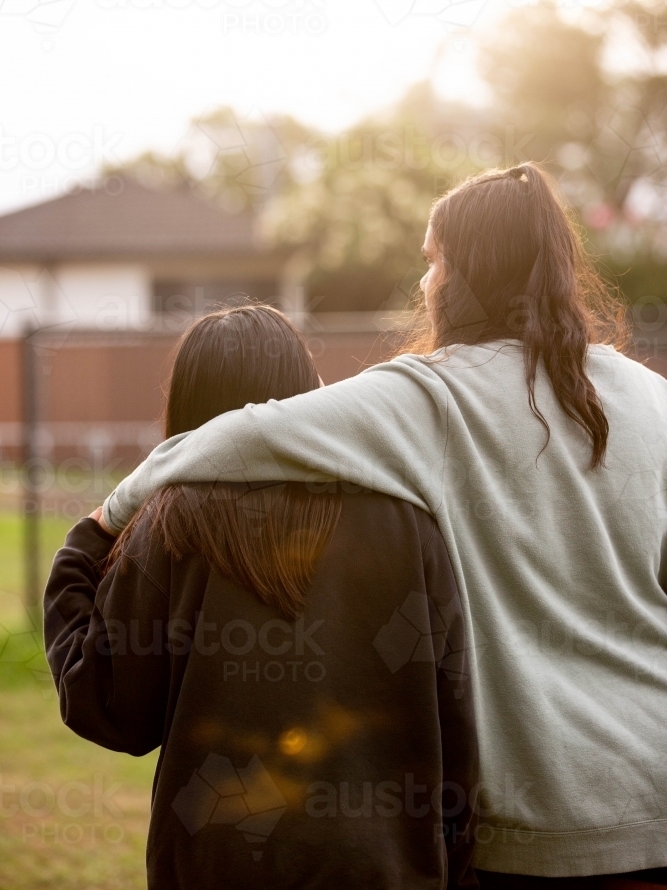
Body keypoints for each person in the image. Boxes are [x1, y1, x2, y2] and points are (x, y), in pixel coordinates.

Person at [100, 164, 667, 885]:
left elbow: (237, 434)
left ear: (464, 272)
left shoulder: (421, 397)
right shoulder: (651, 397)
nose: (425, 283)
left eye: (431, 261)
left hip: (532, 829)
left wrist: (111, 511)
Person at [44, 304, 479, 890]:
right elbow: (454, 713)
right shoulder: (407, 522)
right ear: (304, 394)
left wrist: (86, 544)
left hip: (214, 867)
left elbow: (110, 707)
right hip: (382, 866)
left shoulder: (170, 529)